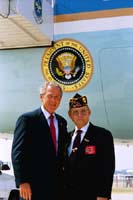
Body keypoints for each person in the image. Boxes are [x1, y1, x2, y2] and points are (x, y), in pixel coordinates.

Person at [11, 81, 68, 200]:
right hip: (33, 187)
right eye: (50, 96)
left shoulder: (62, 122)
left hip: (56, 188)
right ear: (41, 97)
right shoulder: (27, 120)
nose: (54, 100)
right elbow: (18, 153)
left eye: (57, 97)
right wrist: (22, 181)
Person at [64, 93, 115, 200]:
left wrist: (103, 195)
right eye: (75, 112)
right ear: (70, 115)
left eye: (83, 111)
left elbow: (107, 168)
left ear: (89, 112)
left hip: (91, 195)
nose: (80, 115)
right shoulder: (66, 138)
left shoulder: (102, 135)